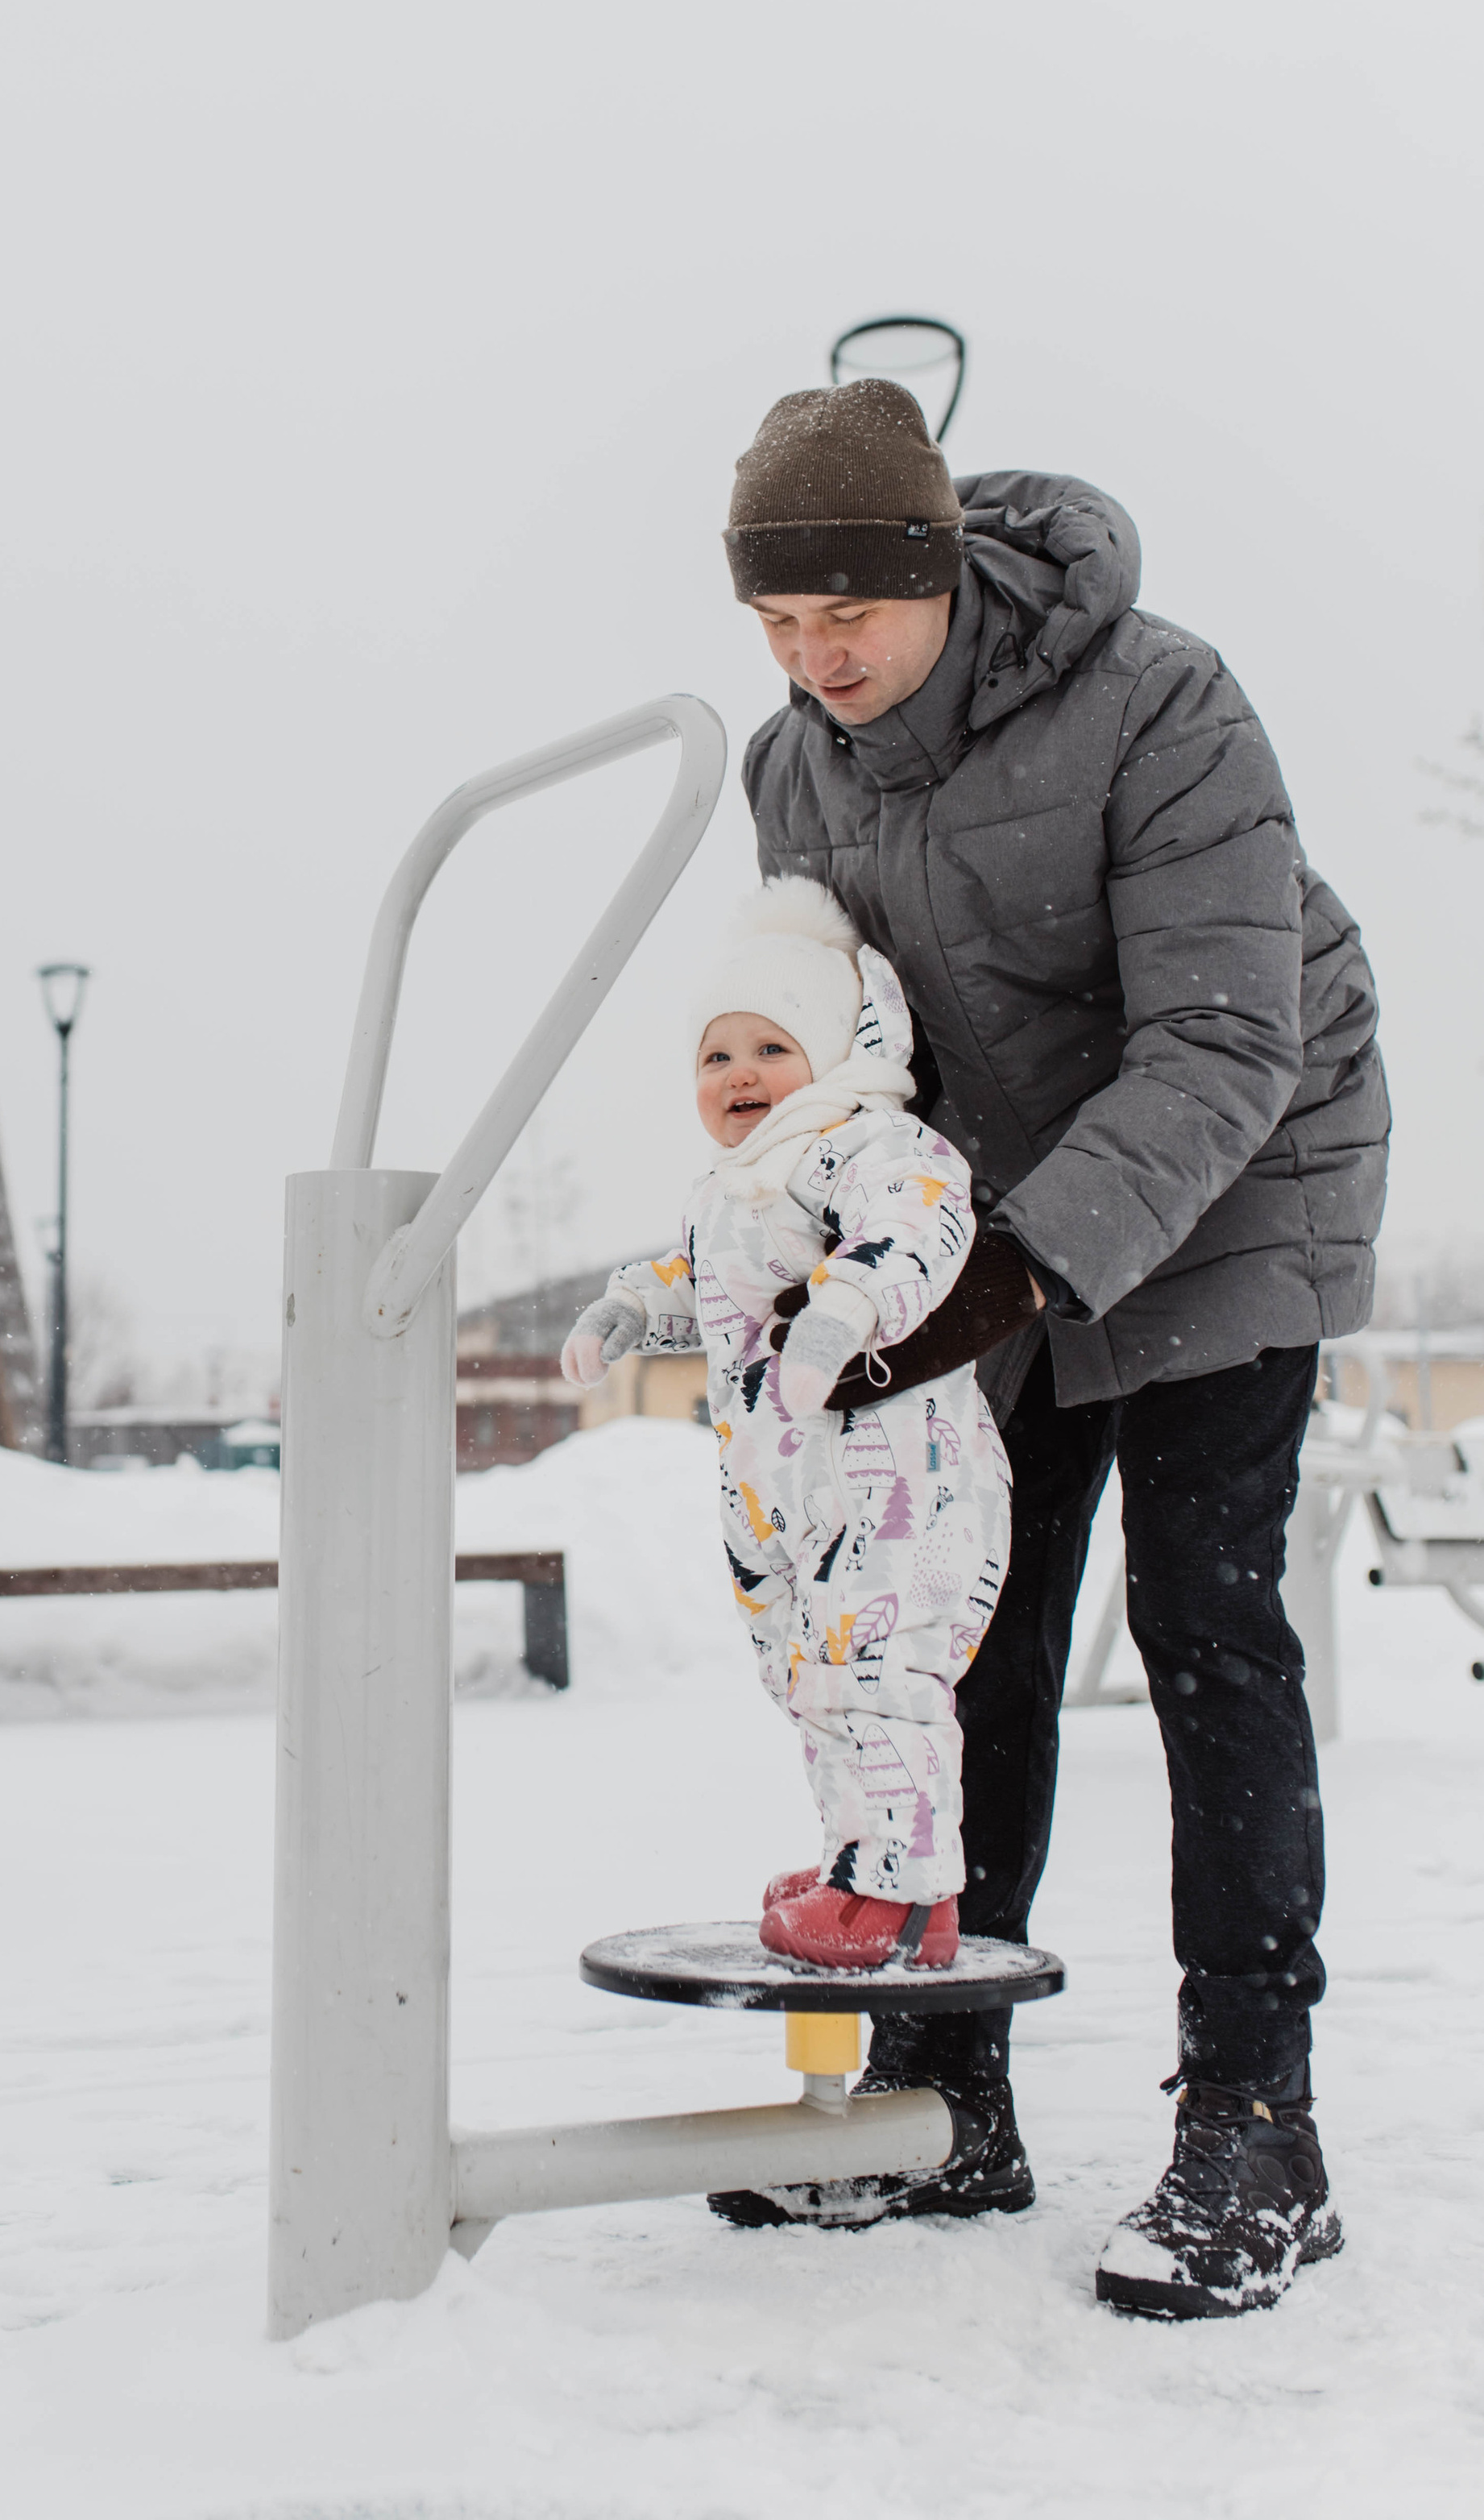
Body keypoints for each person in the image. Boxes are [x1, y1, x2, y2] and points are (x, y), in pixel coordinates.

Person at [712, 376, 1382, 2319]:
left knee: (1202, 1622)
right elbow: (839, 1043)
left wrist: (1009, 1275)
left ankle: (1256, 2120)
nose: (814, 662)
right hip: (986, 1201)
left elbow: (1223, 1043)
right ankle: (944, 2095)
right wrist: (802, 1237)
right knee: (956, 1624)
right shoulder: (788, 767)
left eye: (846, 616)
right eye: (774, 628)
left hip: (1241, 1163)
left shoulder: (1162, 702)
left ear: (934, 574)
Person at [562, 878, 1014, 1974]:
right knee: (810, 1678)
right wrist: (629, 1308)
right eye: (716, 1059)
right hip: (784, 1493)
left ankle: (910, 1897)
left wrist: (848, 1307)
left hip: (894, 1485)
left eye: (771, 1047)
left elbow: (917, 1228)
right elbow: (699, 1277)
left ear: (834, 1051)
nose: (741, 1076)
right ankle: (853, 1860)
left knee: (882, 1675)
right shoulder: (733, 1187)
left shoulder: (864, 1144)